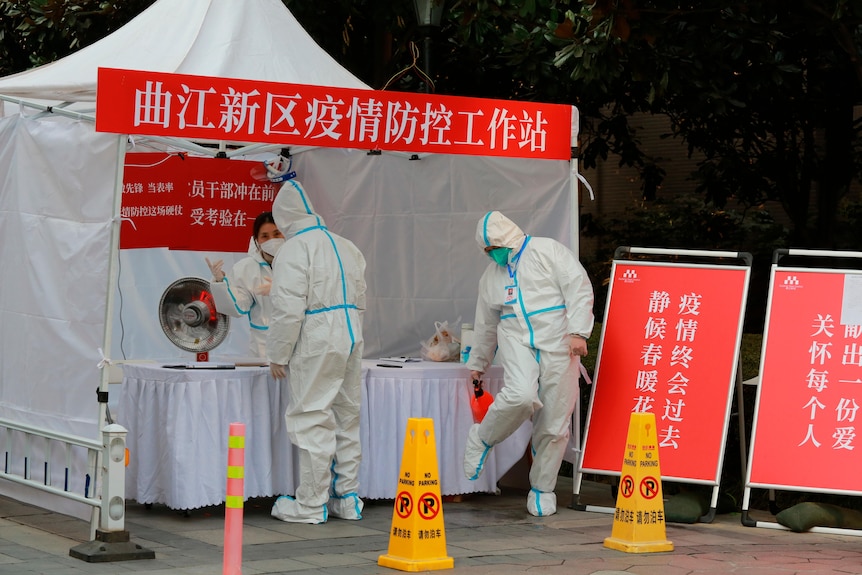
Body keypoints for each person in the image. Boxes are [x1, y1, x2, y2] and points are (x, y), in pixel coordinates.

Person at [463, 210, 594, 517]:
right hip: (516, 338)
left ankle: (542, 489)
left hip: (559, 340)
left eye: (492, 247)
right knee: (520, 395)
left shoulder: (547, 251)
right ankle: (482, 438)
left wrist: (578, 331)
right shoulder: (490, 277)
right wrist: (478, 361)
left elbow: (578, 287)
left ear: (508, 238)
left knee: (555, 421)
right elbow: (485, 322)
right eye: (485, 250)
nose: (490, 254)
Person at [267, 179, 367, 524]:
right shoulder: (346, 245)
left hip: (317, 334)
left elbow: (287, 309)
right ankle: (348, 498)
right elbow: (363, 297)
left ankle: (310, 504)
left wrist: (279, 354)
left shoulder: (294, 249)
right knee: (346, 415)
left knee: (311, 415)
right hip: (352, 330)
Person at [206, 211, 284, 358]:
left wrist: (281, 290)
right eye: (265, 236)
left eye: (276, 234)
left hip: (299, 345)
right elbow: (237, 308)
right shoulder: (247, 268)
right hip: (264, 348)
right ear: (256, 240)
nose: (272, 240)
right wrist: (220, 282)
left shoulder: (300, 262)